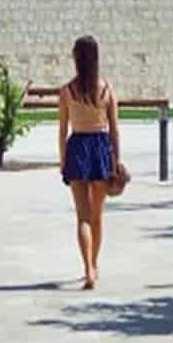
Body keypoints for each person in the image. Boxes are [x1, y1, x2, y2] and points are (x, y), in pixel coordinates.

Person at [58, 34, 121, 289]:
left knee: (82, 216)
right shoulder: (106, 89)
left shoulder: (67, 91)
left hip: (78, 148)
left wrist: (63, 161)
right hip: (101, 149)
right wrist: (116, 160)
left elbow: (62, 131)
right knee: (97, 215)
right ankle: (94, 264)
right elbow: (115, 129)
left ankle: (88, 270)